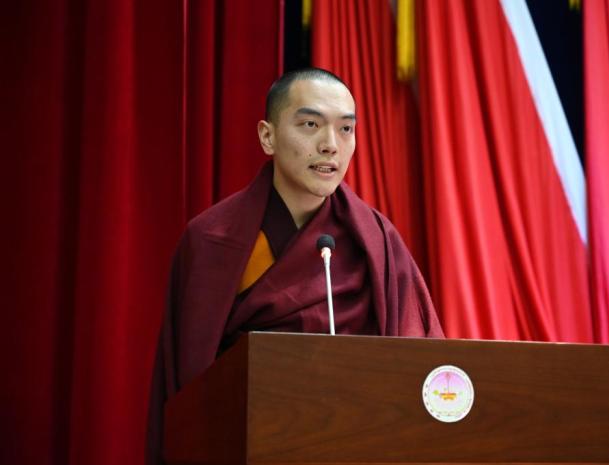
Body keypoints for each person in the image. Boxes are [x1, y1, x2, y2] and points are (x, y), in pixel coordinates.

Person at [146, 67, 443, 464]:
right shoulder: (212, 240)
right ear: (267, 136)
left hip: (356, 444)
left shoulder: (377, 242)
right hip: (246, 443)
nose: (330, 145)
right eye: (310, 125)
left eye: (346, 129)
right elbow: (186, 380)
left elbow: (419, 361)